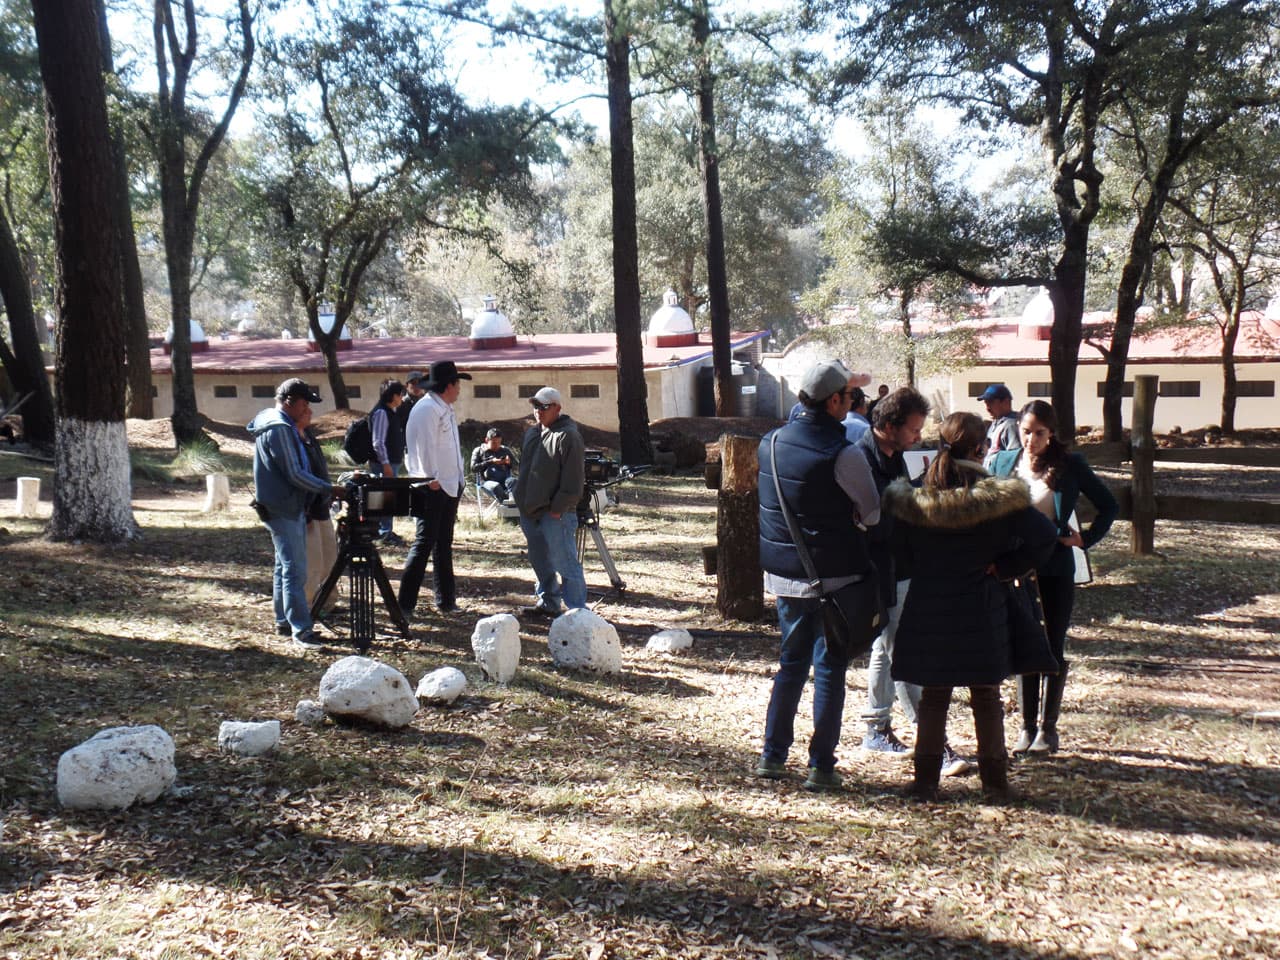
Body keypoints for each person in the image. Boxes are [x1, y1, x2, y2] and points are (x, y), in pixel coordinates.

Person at [882, 413, 1058, 800]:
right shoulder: (1000, 498)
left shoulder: (912, 497)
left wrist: (924, 569)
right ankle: (995, 784)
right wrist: (1007, 567)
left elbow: (896, 551)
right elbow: (1045, 538)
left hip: (929, 606)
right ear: (982, 448)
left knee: (933, 696)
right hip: (983, 605)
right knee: (985, 695)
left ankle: (925, 781)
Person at [755, 360, 881, 792]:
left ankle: (772, 757)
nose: (853, 403)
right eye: (849, 397)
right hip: (834, 579)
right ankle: (821, 766)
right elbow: (873, 511)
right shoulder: (844, 453)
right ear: (833, 402)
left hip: (785, 577)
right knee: (829, 669)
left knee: (790, 665)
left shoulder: (768, 443)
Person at [990, 400, 1119, 755]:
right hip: (1017, 566)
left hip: (1055, 563)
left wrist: (1084, 539)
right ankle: (1026, 727)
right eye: (1026, 431)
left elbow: (1109, 505)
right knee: (1023, 640)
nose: (1031, 439)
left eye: (1039, 433)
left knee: (1052, 642)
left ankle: (1049, 728)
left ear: (1051, 433)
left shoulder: (1070, 464)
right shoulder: (1004, 462)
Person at [247, 378, 344, 648]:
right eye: (304, 404)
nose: (307, 410)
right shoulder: (278, 429)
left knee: (283, 567)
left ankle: (283, 620)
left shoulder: (283, 425)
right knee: (296, 571)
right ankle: (301, 630)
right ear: (289, 401)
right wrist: (329, 489)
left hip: (287, 506)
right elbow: (294, 473)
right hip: (284, 507)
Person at [398, 360, 469, 617]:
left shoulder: (445, 408)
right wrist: (430, 479)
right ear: (447, 386)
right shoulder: (426, 409)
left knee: (443, 544)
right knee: (424, 543)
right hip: (433, 487)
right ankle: (404, 604)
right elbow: (422, 448)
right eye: (457, 384)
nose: (460, 389)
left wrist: (457, 478)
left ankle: (446, 600)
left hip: (449, 485)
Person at [513, 387, 586, 616]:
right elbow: (526, 471)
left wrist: (557, 509)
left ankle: (577, 613)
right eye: (535, 407)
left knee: (566, 563)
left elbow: (574, 480)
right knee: (540, 562)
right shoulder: (532, 433)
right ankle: (549, 603)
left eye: (544, 407)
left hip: (556, 514)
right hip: (530, 511)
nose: (538, 411)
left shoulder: (568, 435)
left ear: (557, 408)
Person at [295, 401, 338, 613]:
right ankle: (307, 608)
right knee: (313, 563)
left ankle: (327, 601)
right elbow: (298, 476)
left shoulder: (309, 436)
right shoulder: (292, 439)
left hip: (322, 505)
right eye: (304, 409)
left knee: (330, 557)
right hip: (307, 509)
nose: (310, 413)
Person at [368, 378, 407, 545]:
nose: (402, 398)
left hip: (391, 463)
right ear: (393, 395)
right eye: (400, 394)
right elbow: (378, 441)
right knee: (381, 499)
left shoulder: (391, 412)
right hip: (384, 464)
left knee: (388, 499)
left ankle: (386, 530)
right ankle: (382, 532)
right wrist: (385, 464)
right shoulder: (381, 412)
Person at [472, 427, 519, 504]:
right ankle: (507, 505)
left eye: (499, 443)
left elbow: (516, 465)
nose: (497, 445)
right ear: (487, 440)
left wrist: (509, 462)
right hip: (487, 482)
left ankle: (511, 505)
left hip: (505, 480)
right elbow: (473, 468)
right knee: (496, 486)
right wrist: (491, 462)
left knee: (513, 481)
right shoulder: (479, 451)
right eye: (494, 443)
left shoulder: (505, 450)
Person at [980, 384, 1021, 469]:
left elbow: (1013, 458)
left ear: (1006, 402)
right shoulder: (995, 423)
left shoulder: (1011, 425)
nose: (987, 408)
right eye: (986, 403)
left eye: (991, 403)